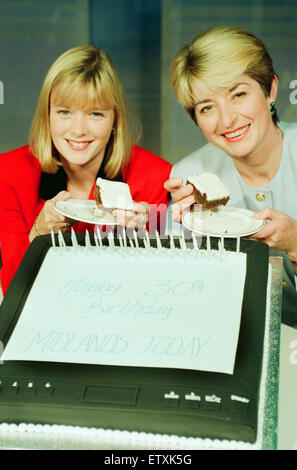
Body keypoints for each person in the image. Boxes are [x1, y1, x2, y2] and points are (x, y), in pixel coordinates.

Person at [0, 45, 172, 296]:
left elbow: (158, 287)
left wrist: (148, 237)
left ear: (115, 119)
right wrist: (39, 233)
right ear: (47, 115)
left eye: (95, 114)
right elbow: (14, 288)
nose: (78, 130)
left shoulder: (155, 176)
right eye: (65, 112)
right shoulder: (9, 172)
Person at [164, 26, 297, 328]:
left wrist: (294, 242)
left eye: (238, 94)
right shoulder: (187, 176)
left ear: (270, 89)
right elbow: (188, 302)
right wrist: (193, 242)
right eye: (207, 107)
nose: (226, 120)